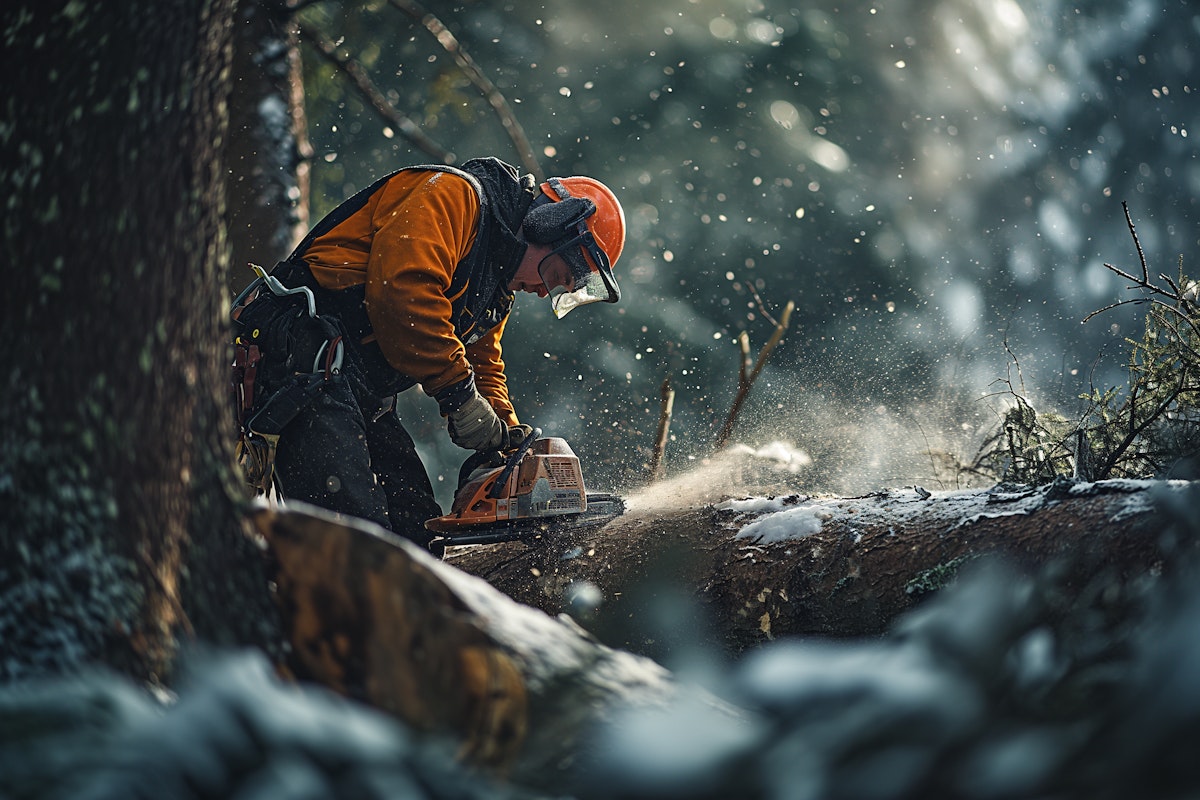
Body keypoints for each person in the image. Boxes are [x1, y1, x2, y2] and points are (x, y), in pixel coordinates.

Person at [231, 157, 626, 552]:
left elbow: (482, 364)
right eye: (555, 276)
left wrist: (507, 443)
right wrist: (458, 396)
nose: (544, 291)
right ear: (550, 224)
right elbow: (402, 295)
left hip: (356, 384)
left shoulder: (495, 284)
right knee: (352, 532)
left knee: (414, 529)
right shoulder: (454, 196)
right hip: (304, 355)